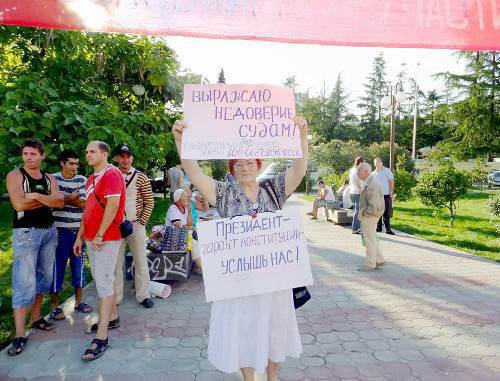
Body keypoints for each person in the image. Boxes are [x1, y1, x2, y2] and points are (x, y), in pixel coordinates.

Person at [172, 116, 309, 381]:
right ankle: (249, 378)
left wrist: (302, 136)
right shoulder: (223, 194)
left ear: (258, 165)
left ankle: (272, 376)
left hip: (274, 279)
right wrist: (181, 141)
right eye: (238, 163)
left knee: (275, 328)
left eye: (250, 162)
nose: (244, 167)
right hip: (240, 281)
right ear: (232, 168)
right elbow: (196, 174)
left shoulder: (274, 189)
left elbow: (299, 170)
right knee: (244, 329)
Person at [6, 139, 64, 356]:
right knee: (23, 281)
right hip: (26, 233)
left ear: (42, 155)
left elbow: (60, 203)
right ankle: (20, 334)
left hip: (49, 231)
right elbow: (19, 204)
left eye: (33, 154)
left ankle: (36, 318)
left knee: (44, 278)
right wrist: (50, 199)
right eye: (25, 154)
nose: (28, 157)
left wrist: (38, 196)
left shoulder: (49, 178)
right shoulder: (15, 176)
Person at [74, 141, 126, 361]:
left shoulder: (112, 174)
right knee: (103, 280)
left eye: (92, 151)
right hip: (91, 238)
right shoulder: (91, 178)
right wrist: (80, 236)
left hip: (105, 239)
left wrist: (99, 234)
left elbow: (113, 206)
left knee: (103, 284)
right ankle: (112, 318)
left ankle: (102, 336)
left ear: (104, 154)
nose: (88, 155)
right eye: (86, 152)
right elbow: (89, 210)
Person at [50, 150, 92, 321]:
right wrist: (69, 198)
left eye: (76, 164)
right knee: (56, 269)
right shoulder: (53, 180)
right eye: (71, 163)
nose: (75, 167)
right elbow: (51, 203)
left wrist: (65, 200)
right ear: (62, 163)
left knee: (78, 268)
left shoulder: (82, 180)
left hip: (77, 232)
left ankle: (79, 302)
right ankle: (54, 306)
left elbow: (85, 204)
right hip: (58, 232)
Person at [113, 145, 155, 309]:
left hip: (136, 224)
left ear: (132, 158)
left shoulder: (141, 177)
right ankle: (116, 297)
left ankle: (143, 295)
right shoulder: (112, 175)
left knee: (140, 261)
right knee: (116, 263)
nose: (126, 159)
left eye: (128, 156)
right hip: (116, 225)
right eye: (122, 156)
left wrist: (141, 222)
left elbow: (149, 202)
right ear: (117, 158)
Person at [165, 188, 202, 273]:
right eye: (184, 197)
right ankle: (202, 268)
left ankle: (200, 264)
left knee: (199, 239)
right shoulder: (173, 209)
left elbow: (189, 224)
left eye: (186, 197)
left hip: (183, 235)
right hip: (173, 238)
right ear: (178, 199)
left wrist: (189, 212)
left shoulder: (185, 208)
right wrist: (191, 228)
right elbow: (178, 226)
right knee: (194, 244)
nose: (187, 199)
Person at [357, 163, 386, 271]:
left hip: (370, 216)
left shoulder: (372, 183)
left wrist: (365, 213)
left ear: (366, 172)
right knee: (372, 238)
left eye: (358, 171)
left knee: (368, 239)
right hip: (372, 215)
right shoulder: (369, 182)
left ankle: (370, 265)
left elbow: (374, 203)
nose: (357, 173)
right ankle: (379, 259)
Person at [372, 157, 395, 235]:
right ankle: (378, 228)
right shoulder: (373, 173)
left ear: (381, 162)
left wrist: (391, 192)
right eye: (376, 162)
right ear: (374, 164)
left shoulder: (387, 171)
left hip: (385, 195)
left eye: (378, 161)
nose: (377, 163)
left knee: (386, 212)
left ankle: (388, 229)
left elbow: (391, 181)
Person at [348, 157, 365, 234]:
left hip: (352, 191)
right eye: (363, 163)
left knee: (356, 210)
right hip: (357, 192)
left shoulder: (352, 170)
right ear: (360, 163)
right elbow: (358, 182)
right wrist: (361, 191)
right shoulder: (357, 170)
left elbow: (350, 182)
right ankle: (355, 228)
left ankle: (357, 228)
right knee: (357, 211)